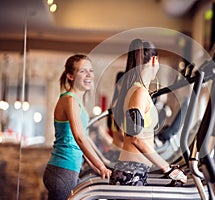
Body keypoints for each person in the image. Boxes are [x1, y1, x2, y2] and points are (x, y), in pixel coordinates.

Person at [110, 39, 187, 186]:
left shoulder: (136, 90)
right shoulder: (138, 92)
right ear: (154, 60)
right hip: (131, 172)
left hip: (134, 170)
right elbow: (135, 138)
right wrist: (168, 169)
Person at [43, 54, 112, 200]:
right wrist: (101, 166)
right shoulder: (69, 100)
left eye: (91, 71)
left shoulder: (77, 102)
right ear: (70, 76)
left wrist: (98, 167)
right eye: (82, 71)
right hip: (63, 169)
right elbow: (79, 138)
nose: (89, 75)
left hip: (68, 170)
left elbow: (81, 142)